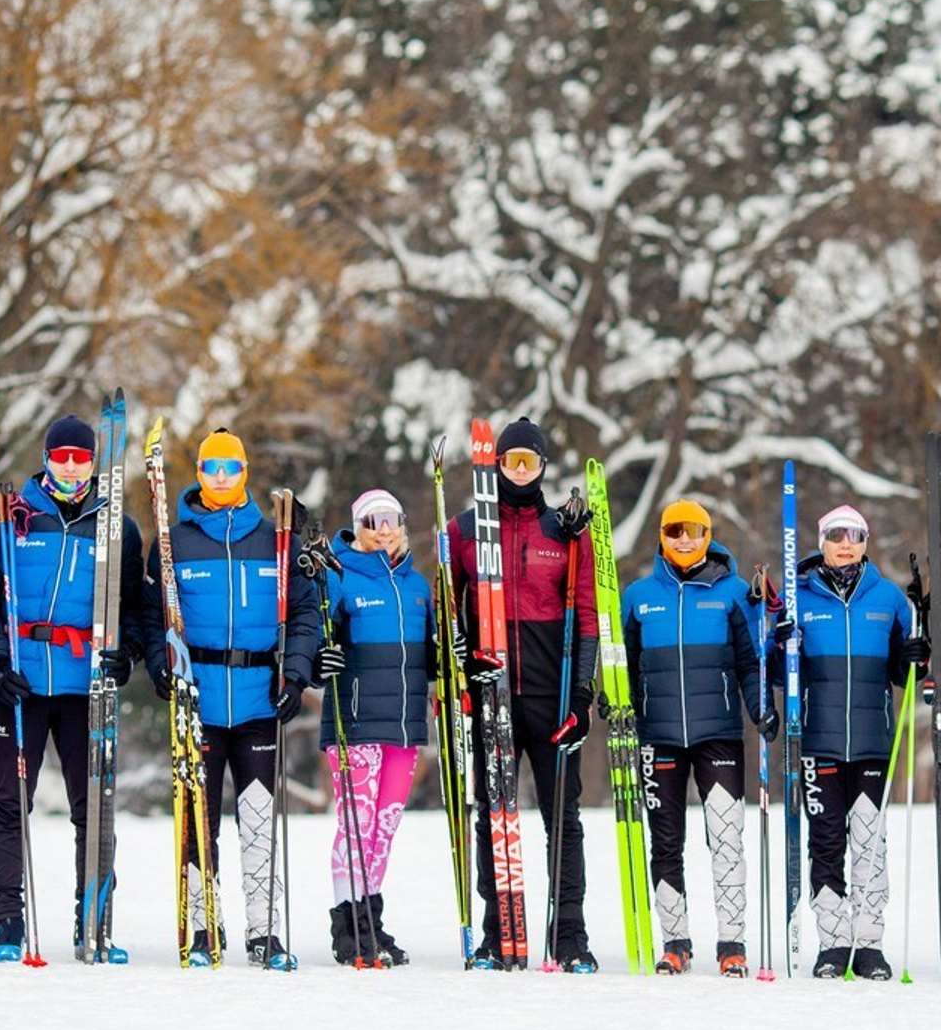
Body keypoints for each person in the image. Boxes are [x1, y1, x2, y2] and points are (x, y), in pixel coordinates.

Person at [141, 427, 317, 968]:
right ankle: (202, 926)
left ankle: (264, 932)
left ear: (244, 474)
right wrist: (160, 665)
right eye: (211, 469)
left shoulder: (274, 540)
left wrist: (294, 675)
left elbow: (305, 613)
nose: (221, 478)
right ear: (198, 474)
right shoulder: (173, 544)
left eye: (231, 469)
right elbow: (151, 618)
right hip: (198, 704)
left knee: (259, 821)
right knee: (198, 824)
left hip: (261, 701)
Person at [447, 417, 599, 972]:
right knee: (494, 817)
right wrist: (465, 660)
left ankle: (570, 936)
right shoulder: (464, 531)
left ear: (542, 468)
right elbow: (446, 616)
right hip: (492, 702)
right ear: (493, 464)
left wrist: (581, 698)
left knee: (564, 818)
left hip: (551, 700)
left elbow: (587, 617)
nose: (519, 471)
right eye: (509, 461)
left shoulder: (565, 531)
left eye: (529, 462)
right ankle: (497, 933)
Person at [0, 414, 145, 962]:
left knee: (95, 808)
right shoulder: (14, 520)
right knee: (8, 802)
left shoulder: (116, 527)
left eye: (81, 458)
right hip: (23, 683)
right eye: (60, 457)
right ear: (45, 457)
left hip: (88, 686)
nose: (70, 467)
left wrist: (126, 654)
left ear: (94, 462)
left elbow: (135, 607)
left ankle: (94, 918)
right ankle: (5, 920)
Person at [621, 498, 776, 978]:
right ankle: (676, 942)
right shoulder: (638, 596)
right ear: (662, 537)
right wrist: (617, 704)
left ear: (708, 536)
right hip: (658, 734)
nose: (684, 539)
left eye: (694, 530)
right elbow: (622, 664)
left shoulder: (733, 594)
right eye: (674, 531)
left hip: (719, 734)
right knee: (665, 842)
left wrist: (762, 710)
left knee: (726, 839)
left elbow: (752, 662)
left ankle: (732, 943)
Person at [782, 504, 928, 980]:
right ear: (821, 540)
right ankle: (833, 944)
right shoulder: (799, 597)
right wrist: (777, 640)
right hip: (819, 742)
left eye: (856, 535)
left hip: (872, 742)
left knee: (869, 844)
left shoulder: (886, 598)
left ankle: (868, 945)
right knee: (825, 844)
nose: (846, 543)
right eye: (836, 535)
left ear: (866, 542)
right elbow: (777, 671)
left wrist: (916, 657)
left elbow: (905, 675)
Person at [314, 488, 435, 967]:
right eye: (372, 521)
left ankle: (372, 921)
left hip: (404, 725)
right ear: (358, 528)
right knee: (356, 826)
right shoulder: (340, 576)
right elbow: (318, 632)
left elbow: (432, 651)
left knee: (384, 828)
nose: (383, 529)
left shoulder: (418, 587)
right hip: (355, 721)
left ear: (402, 525)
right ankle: (348, 926)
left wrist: (452, 656)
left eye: (391, 519)